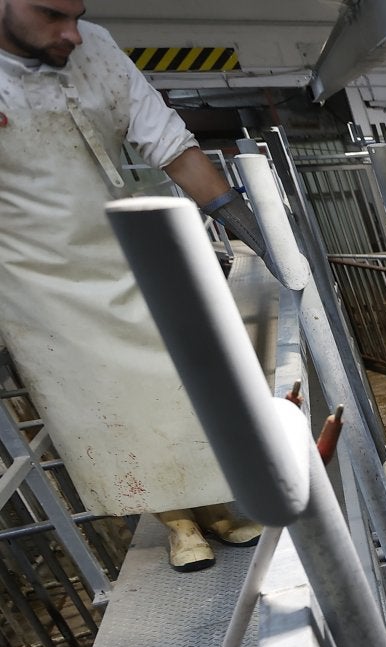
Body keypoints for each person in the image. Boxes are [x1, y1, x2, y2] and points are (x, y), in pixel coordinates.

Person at [0, 0, 268, 571]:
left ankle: (216, 503)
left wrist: (254, 233)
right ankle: (174, 521)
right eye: (53, 16)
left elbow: (169, 143)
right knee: (100, 401)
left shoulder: (93, 45)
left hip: (127, 248)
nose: (71, 33)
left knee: (179, 377)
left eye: (77, 15)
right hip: (36, 280)